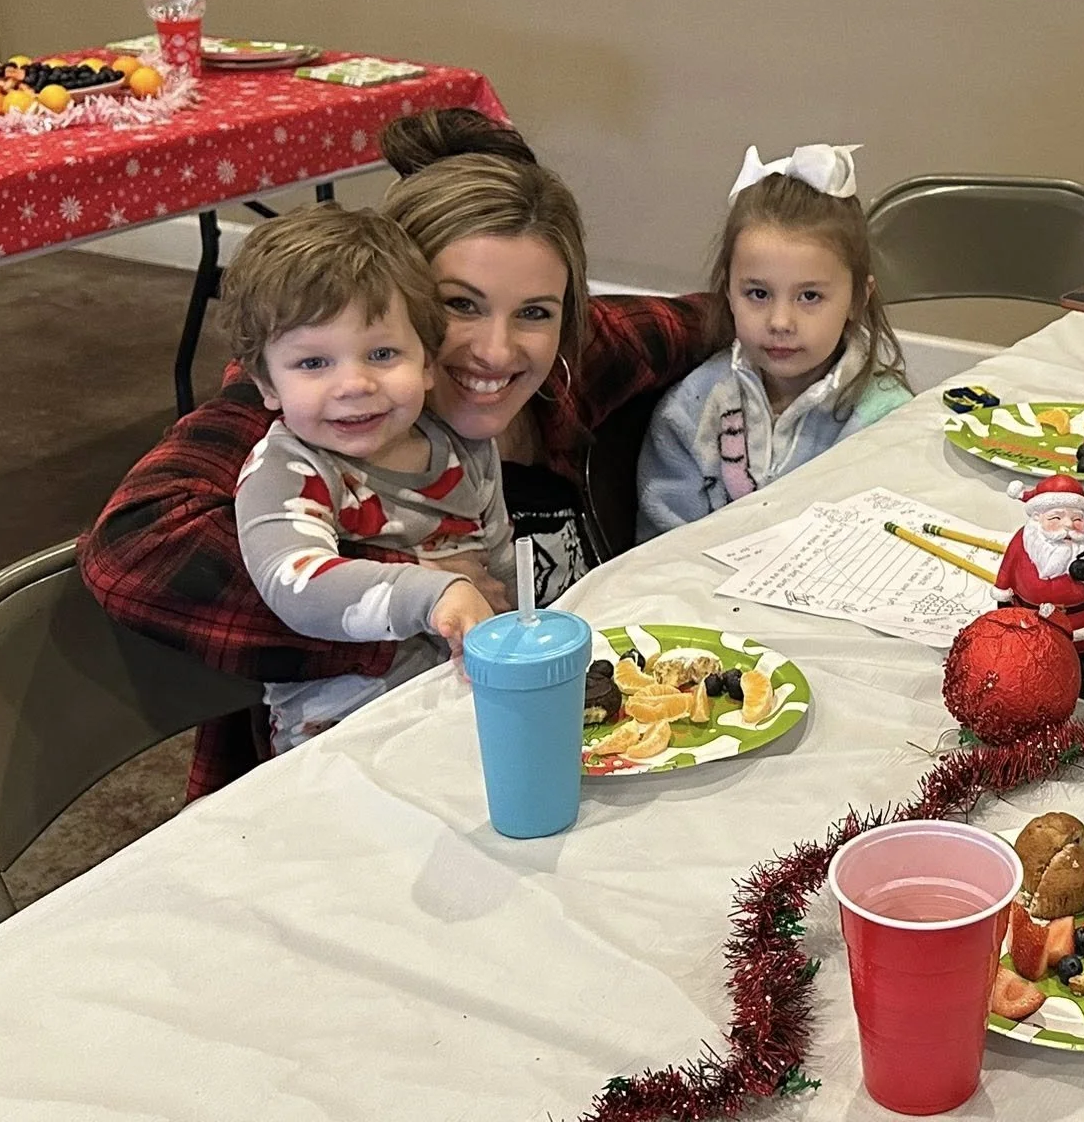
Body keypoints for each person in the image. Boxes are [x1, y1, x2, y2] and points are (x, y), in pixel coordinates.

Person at [81, 109, 717, 796]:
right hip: (352, 775)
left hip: (520, 742)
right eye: (459, 307)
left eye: (535, 312)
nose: (497, 351)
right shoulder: (305, 414)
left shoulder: (562, 371)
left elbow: (701, 320)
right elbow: (132, 546)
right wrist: (417, 583)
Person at [224, 204, 503, 752]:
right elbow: (296, 584)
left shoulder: (465, 446)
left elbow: (495, 565)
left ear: (427, 360)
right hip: (342, 739)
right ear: (267, 384)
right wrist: (435, 590)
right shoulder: (286, 469)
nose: (354, 383)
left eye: (382, 353)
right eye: (313, 364)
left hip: (466, 705)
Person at [634, 143, 910, 539]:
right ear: (728, 292)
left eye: (810, 296)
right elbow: (654, 556)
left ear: (856, 300)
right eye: (758, 294)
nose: (781, 322)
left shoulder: (886, 419)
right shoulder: (690, 412)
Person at [992, 474, 1084, 700]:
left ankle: (1083, 671)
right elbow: (1006, 572)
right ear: (1037, 517)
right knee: (1035, 652)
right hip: (1035, 620)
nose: (1068, 526)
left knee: (1082, 646)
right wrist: (1003, 602)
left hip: (1082, 621)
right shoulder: (1023, 542)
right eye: (1055, 517)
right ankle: (1038, 675)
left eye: (1076, 518)